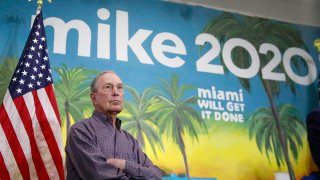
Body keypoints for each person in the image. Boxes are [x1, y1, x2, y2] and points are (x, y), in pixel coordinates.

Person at [65, 71, 162, 179]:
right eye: (108, 87)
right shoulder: (81, 131)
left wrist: (125, 165)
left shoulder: (130, 141)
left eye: (119, 87)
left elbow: (156, 175)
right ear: (94, 98)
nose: (116, 92)